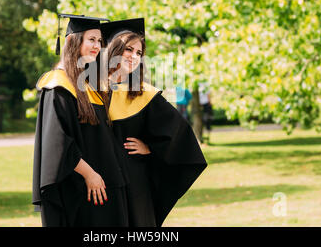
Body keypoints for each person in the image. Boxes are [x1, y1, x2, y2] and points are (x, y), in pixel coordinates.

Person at [101, 18, 208, 227]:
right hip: (99, 180)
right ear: (113, 50)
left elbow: (180, 135)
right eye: (128, 50)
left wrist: (151, 149)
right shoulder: (91, 90)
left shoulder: (143, 95)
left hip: (134, 182)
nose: (134, 57)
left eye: (139, 53)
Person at [32, 14, 130, 227]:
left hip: (107, 186)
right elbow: (57, 143)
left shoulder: (89, 85)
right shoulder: (58, 87)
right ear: (71, 41)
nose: (97, 46)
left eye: (99, 41)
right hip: (82, 190)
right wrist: (90, 174)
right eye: (91, 40)